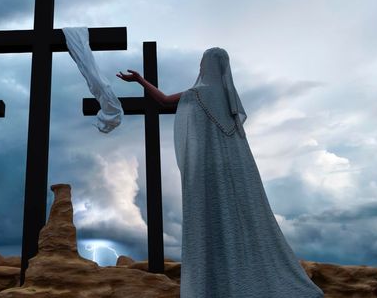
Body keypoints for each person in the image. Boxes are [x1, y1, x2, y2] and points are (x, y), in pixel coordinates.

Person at [117, 47, 324, 297]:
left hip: (207, 172)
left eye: (202, 63)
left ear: (207, 66)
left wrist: (140, 80)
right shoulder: (230, 100)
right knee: (237, 219)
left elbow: (162, 101)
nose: (200, 68)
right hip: (236, 173)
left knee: (211, 222)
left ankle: (216, 283)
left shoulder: (197, 94)